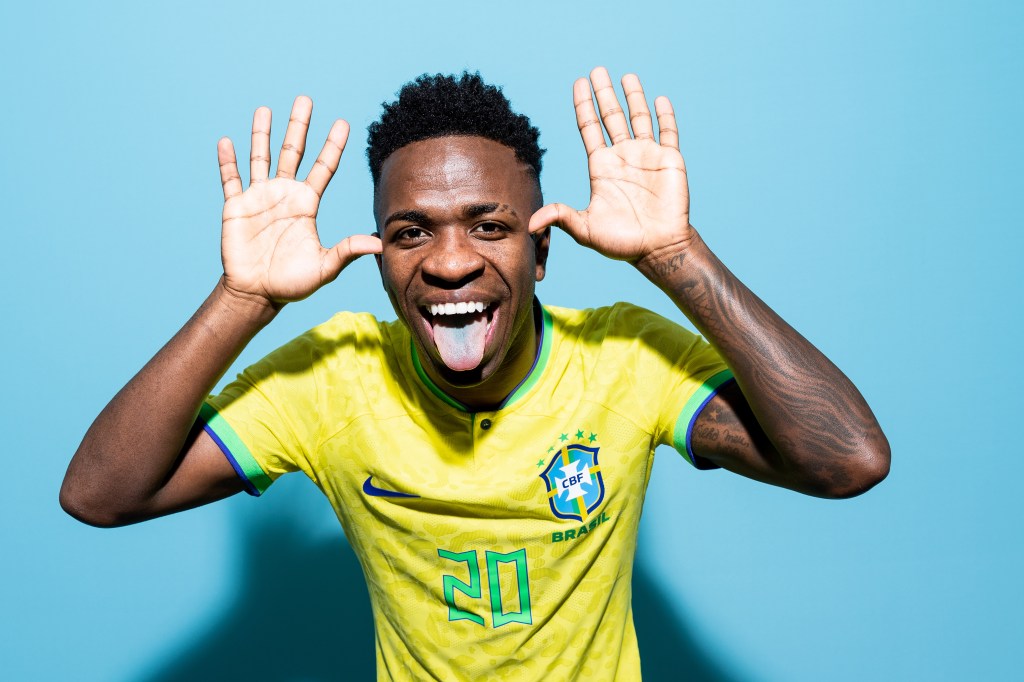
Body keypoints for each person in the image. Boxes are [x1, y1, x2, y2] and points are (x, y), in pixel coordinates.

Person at [61, 68, 889, 680]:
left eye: (489, 226)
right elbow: (101, 496)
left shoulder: (627, 360)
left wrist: (676, 257)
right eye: (411, 232)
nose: (450, 262)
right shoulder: (331, 379)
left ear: (542, 252)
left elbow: (849, 461)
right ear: (379, 258)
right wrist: (242, 299)